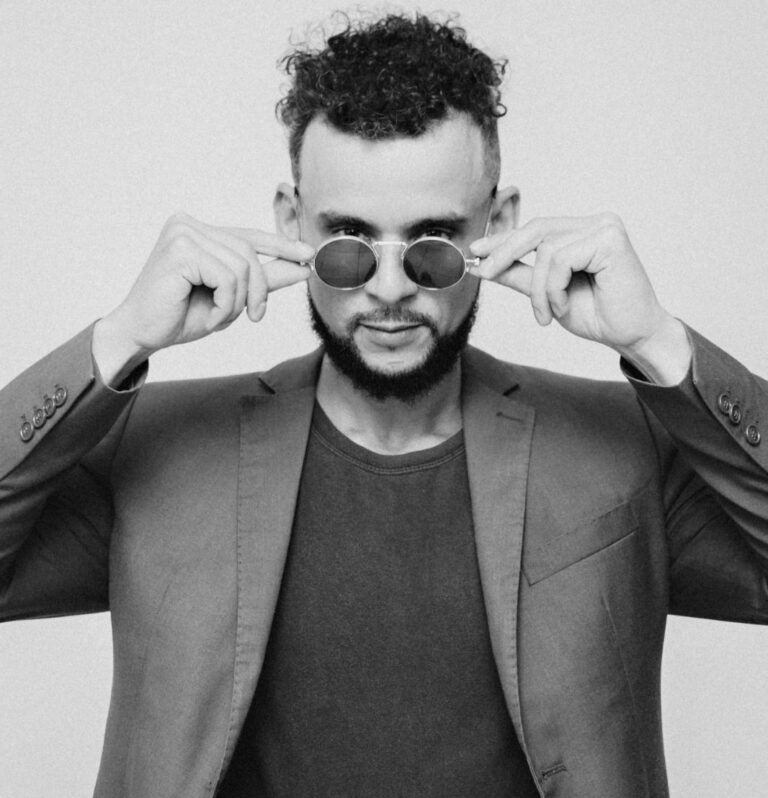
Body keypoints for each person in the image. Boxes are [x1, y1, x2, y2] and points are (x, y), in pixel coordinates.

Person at [1, 10, 766, 797]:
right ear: (290, 224)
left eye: (433, 244)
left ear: (498, 225)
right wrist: (120, 337)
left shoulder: (620, 447)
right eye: (348, 243)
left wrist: (660, 342)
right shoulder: (157, 450)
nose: (392, 289)